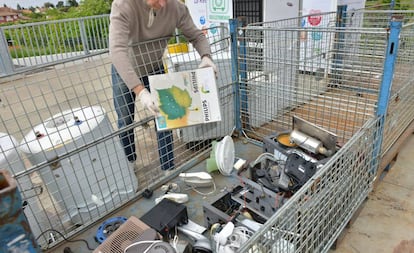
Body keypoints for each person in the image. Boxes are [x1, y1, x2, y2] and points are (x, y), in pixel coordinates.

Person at [109, 0, 217, 171]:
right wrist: (141, 91)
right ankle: (129, 163)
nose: (164, 4)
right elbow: (116, 51)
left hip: (154, 67)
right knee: (125, 120)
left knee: (165, 117)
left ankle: (168, 167)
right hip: (125, 71)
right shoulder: (123, 5)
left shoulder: (176, 7)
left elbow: (197, 36)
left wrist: (206, 57)